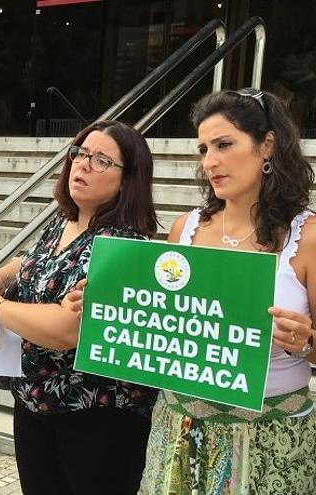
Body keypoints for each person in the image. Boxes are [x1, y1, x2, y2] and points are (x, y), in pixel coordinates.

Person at [127, 89, 316, 494]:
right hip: (179, 428)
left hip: (270, 438)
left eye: (224, 144)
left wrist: (304, 342)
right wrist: (112, 298)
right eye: (203, 149)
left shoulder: (309, 238)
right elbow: (163, 319)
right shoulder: (186, 229)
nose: (210, 161)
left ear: (267, 146)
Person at [0, 120, 159, 495]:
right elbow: (31, 261)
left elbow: (66, 331)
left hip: (96, 416)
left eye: (102, 160)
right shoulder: (63, 223)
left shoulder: (126, 247)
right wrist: (0, 278)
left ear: (128, 179)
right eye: (81, 153)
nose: (83, 165)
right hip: (35, 403)